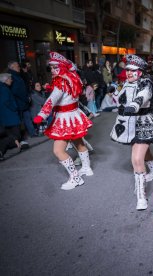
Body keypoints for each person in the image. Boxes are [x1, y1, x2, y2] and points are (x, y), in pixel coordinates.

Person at [32, 52, 93, 190]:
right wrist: (51, 88)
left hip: (65, 118)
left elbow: (51, 100)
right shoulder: (72, 77)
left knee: (58, 151)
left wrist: (42, 115)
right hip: (74, 114)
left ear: (63, 67)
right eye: (51, 68)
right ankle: (87, 168)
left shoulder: (61, 81)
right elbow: (67, 95)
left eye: (55, 67)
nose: (53, 70)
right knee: (79, 142)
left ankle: (76, 178)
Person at [110, 54, 153, 210]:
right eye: (127, 70)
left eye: (133, 70)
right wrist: (113, 92)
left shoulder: (146, 83)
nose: (129, 73)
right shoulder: (126, 83)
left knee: (137, 159)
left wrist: (134, 105)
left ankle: (141, 196)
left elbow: (143, 96)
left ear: (140, 72)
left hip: (142, 123)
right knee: (143, 153)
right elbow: (119, 101)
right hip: (127, 124)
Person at [0, 73, 22, 160]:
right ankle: (4, 147)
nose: (11, 80)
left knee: (10, 134)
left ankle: (7, 148)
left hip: (6, 116)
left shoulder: (3, 87)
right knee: (16, 135)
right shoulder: (4, 88)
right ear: (5, 80)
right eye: (10, 79)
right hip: (10, 115)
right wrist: (15, 107)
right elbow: (6, 101)